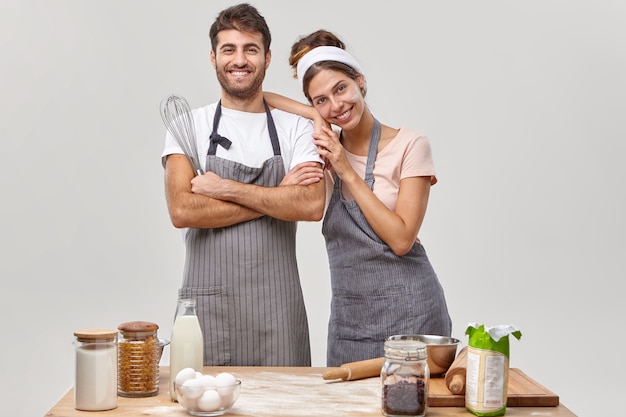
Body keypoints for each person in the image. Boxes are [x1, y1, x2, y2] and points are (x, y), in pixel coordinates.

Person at [265, 30, 452, 367]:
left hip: (413, 316)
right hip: (350, 324)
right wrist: (315, 119)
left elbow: (401, 239)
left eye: (341, 88)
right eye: (321, 99)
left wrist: (345, 169)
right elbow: (261, 97)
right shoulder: (323, 150)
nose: (337, 105)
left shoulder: (410, 145)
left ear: (360, 81)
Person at [161, 4, 325, 366]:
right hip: (209, 308)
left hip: (277, 308)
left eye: (251, 49)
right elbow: (182, 210)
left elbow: (312, 205)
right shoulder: (188, 126)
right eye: (229, 49)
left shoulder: (294, 126)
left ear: (266, 58)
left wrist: (224, 189)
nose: (240, 59)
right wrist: (279, 195)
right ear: (213, 57)